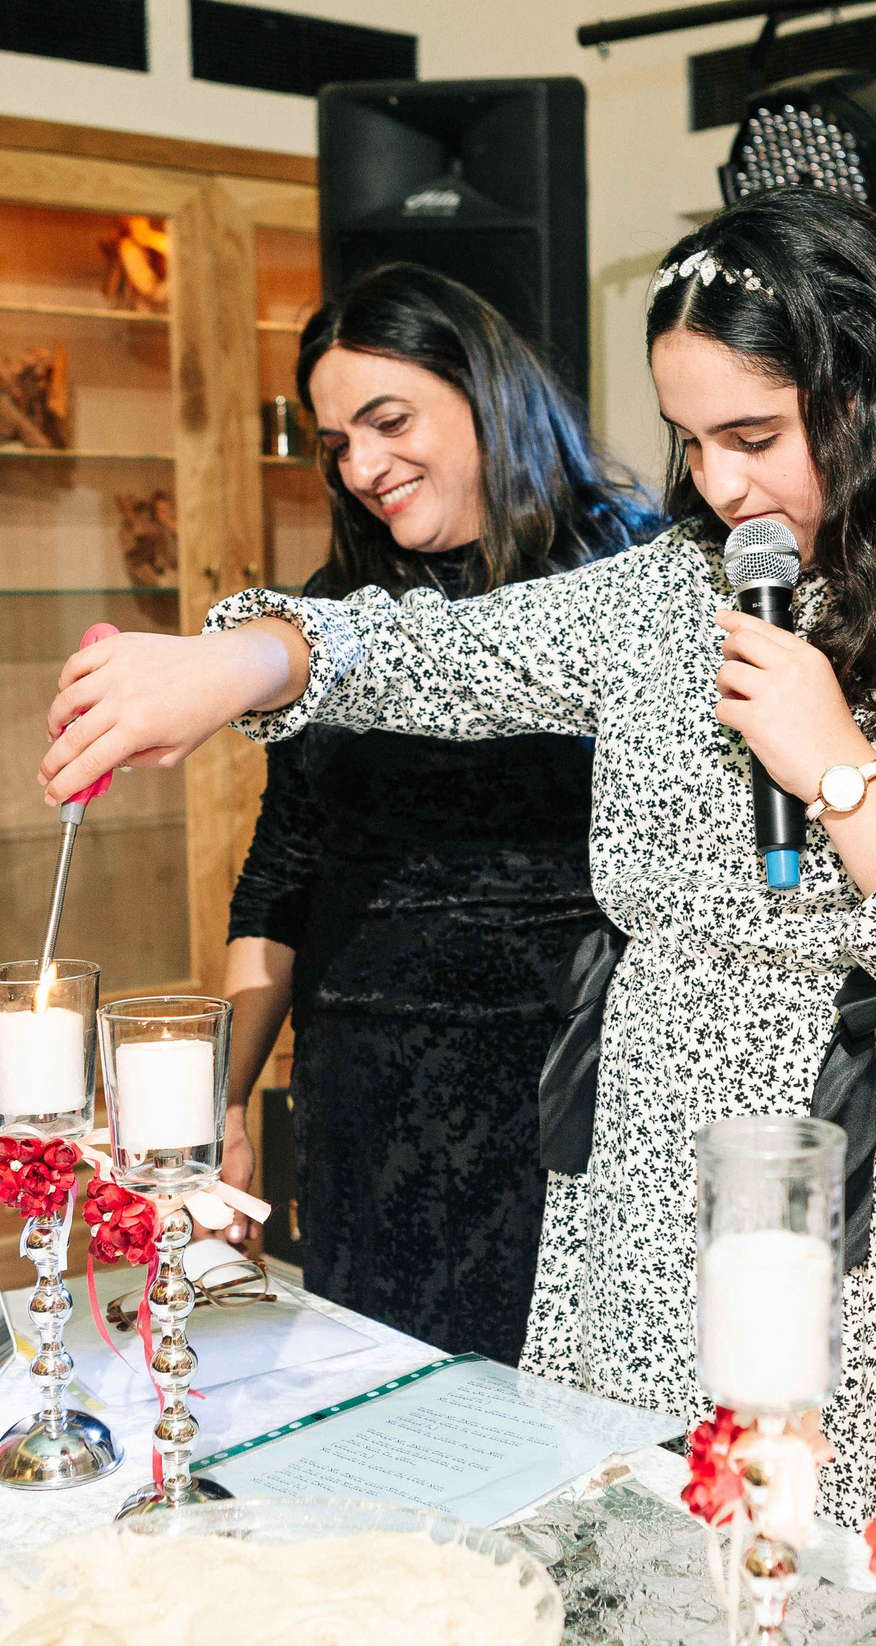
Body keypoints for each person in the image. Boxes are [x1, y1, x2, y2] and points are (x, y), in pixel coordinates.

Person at [42, 190, 876, 1646]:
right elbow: (434, 650)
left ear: (875, 400)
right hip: (656, 1191)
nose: (717, 488)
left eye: (754, 437)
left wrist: (834, 764)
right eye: (688, 440)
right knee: (671, 1625)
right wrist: (240, 658)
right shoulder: (658, 597)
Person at [215, 262, 660, 1364]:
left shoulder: (637, 573)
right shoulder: (329, 615)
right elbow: (284, 865)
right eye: (336, 442)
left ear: (486, 395)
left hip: (573, 1092)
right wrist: (218, 1103)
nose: (362, 466)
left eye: (388, 420)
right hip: (368, 1102)